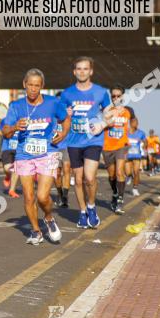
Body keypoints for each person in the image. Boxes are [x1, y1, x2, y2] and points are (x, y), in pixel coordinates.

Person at [2, 69, 70, 245]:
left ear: (42, 86)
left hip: (48, 153)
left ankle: (48, 218)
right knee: (29, 197)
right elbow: (5, 132)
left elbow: (66, 119)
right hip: (24, 154)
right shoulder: (16, 106)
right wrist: (15, 127)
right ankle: (36, 230)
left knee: (42, 196)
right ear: (24, 84)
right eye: (30, 85)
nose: (33, 89)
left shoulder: (53, 103)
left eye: (37, 85)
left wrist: (63, 134)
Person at [60, 57, 110, 230]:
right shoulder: (67, 94)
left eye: (85, 69)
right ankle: (82, 212)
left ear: (91, 71)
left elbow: (109, 114)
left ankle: (91, 206)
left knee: (90, 177)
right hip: (74, 141)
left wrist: (101, 124)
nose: (82, 72)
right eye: (79, 69)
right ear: (74, 72)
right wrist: (64, 115)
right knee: (78, 180)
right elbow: (59, 117)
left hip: (93, 140)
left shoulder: (101, 92)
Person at [101, 85, 135, 214]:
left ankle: (120, 200)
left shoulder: (128, 111)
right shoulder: (106, 110)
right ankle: (115, 193)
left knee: (120, 172)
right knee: (111, 175)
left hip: (121, 145)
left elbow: (133, 121)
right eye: (113, 96)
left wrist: (131, 131)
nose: (115, 98)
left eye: (118, 96)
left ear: (123, 97)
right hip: (107, 146)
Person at [127, 123, 147, 197]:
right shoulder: (126, 132)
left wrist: (145, 146)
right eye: (133, 122)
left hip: (137, 155)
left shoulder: (141, 133)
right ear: (130, 123)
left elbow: (145, 141)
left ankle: (135, 188)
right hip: (127, 155)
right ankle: (129, 176)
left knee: (136, 172)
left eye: (136, 122)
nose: (135, 124)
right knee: (128, 172)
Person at [1, 131, 20, 198]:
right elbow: (0, 130)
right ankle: (8, 176)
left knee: (16, 168)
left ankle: (12, 190)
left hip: (19, 149)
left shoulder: (26, 120)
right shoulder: (6, 120)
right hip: (7, 148)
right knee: (7, 168)